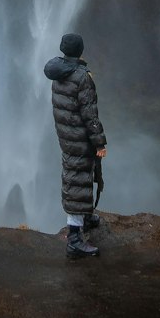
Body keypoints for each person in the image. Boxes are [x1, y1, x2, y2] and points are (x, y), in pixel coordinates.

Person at [43, 32, 107, 260]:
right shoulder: (81, 77)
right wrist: (99, 141)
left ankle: (85, 216)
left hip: (66, 134)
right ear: (80, 51)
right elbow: (90, 114)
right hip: (79, 135)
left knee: (79, 173)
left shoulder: (58, 72)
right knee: (78, 178)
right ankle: (74, 239)